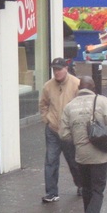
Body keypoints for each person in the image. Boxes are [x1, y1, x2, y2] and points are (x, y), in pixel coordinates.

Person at [59, 76, 107, 213]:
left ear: (79, 87)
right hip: (100, 155)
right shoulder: (101, 101)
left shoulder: (70, 106)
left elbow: (63, 134)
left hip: (81, 156)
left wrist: (79, 139)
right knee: (97, 190)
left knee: (86, 189)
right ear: (93, 87)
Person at [39, 58, 82, 203]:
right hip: (52, 129)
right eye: (54, 69)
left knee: (74, 161)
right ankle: (51, 192)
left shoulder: (76, 84)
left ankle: (81, 185)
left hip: (69, 131)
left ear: (66, 68)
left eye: (59, 69)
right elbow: (43, 104)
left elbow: (82, 106)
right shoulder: (48, 86)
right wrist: (46, 119)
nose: (56, 72)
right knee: (50, 161)